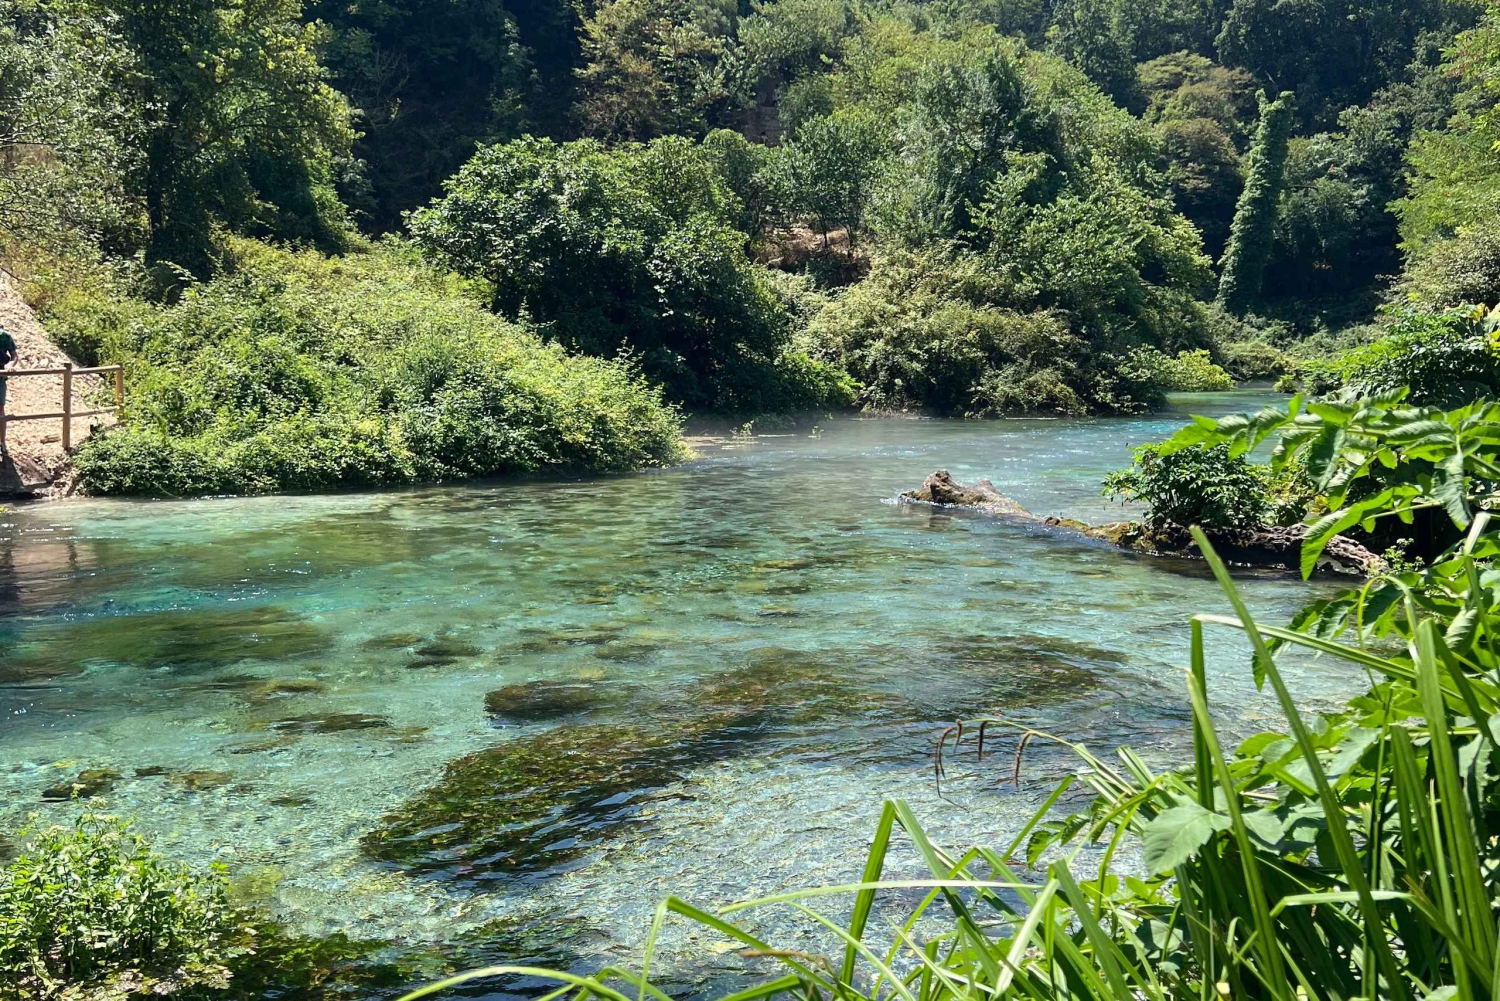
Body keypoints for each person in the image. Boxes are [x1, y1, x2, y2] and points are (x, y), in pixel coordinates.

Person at [0, 323, 17, 454]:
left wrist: (10, 364)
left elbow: (14, 355)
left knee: (0, 409)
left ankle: (2, 442)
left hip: (0, 378)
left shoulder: (4, 336)